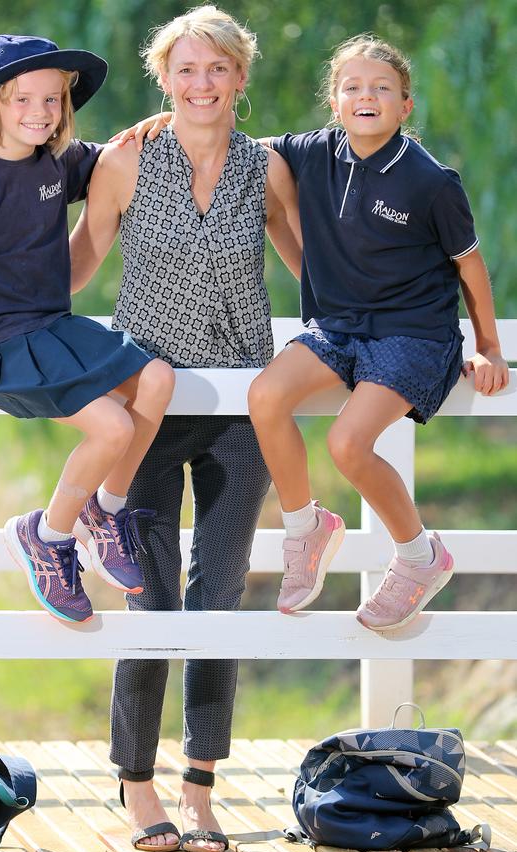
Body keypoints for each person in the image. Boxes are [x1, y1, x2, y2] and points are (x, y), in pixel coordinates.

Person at [69, 5, 301, 852]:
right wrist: (22, 325)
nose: (201, 84)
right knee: (152, 595)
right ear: (163, 78)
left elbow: (316, 262)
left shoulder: (267, 167)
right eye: (186, 69)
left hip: (244, 404)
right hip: (149, 404)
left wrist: (379, 329)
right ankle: (137, 785)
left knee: (221, 592)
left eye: (218, 69)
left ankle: (201, 785)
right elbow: (85, 251)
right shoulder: (127, 159)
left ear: (241, 78)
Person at [246, 34, 509, 630]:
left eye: (382, 88)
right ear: (333, 101)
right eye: (353, 87)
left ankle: (420, 557)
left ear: (405, 106)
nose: (366, 96)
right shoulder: (312, 153)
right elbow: (234, 148)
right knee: (265, 396)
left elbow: (470, 265)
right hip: (338, 328)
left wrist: (489, 347)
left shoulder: (432, 182)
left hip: (413, 335)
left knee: (347, 444)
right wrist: (172, 117)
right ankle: (306, 527)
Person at [0, 34, 175, 624]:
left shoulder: (59, 161)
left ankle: (103, 511)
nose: (39, 113)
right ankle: (48, 535)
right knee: (109, 427)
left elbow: (115, 160)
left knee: (156, 380)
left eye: (52, 100)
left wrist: (163, 120)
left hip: (53, 327)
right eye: (23, 100)